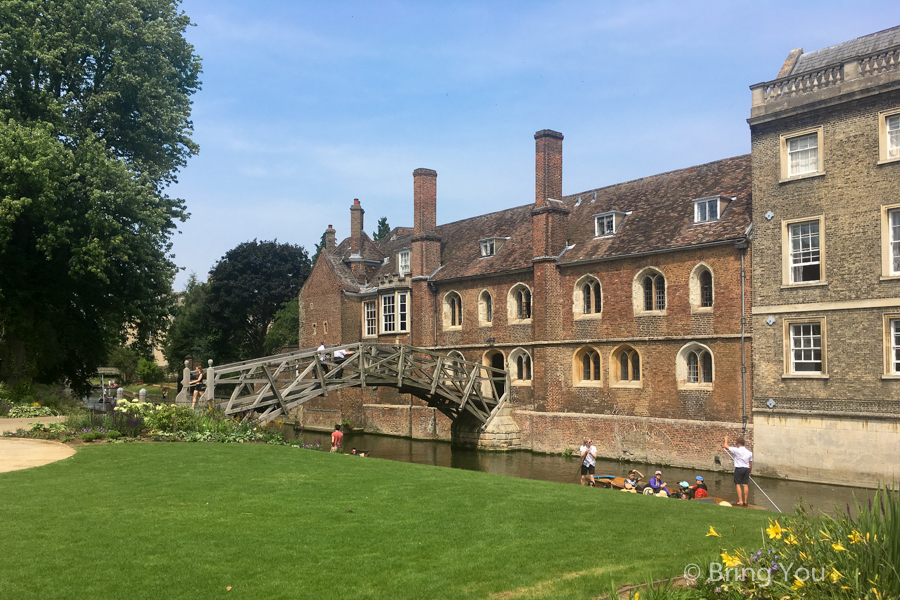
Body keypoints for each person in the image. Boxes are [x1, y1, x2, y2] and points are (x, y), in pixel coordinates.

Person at [724, 436, 753, 507]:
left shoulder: (737, 450)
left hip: (739, 469)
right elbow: (750, 464)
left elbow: (725, 446)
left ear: (738, 444)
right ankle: (745, 501)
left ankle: (740, 501)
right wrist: (749, 471)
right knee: (745, 484)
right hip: (746, 469)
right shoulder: (749, 452)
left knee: (737, 484)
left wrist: (726, 439)